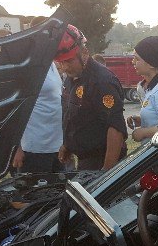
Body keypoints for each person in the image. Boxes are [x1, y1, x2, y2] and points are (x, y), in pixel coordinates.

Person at [55, 24, 128, 171]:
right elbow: (75, 116)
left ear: (84, 53)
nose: (64, 67)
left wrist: (106, 173)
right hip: (85, 160)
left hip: (101, 161)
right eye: (61, 62)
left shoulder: (102, 81)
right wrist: (68, 145)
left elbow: (116, 128)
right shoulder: (73, 77)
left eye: (68, 61)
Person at [4, 19, 63, 173]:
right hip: (34, 149)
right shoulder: (26, 65)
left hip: (57, 147)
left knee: (59, 193)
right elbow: (14, 108)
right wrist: (16, 148)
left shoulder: (50, 62)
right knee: (33, 195)